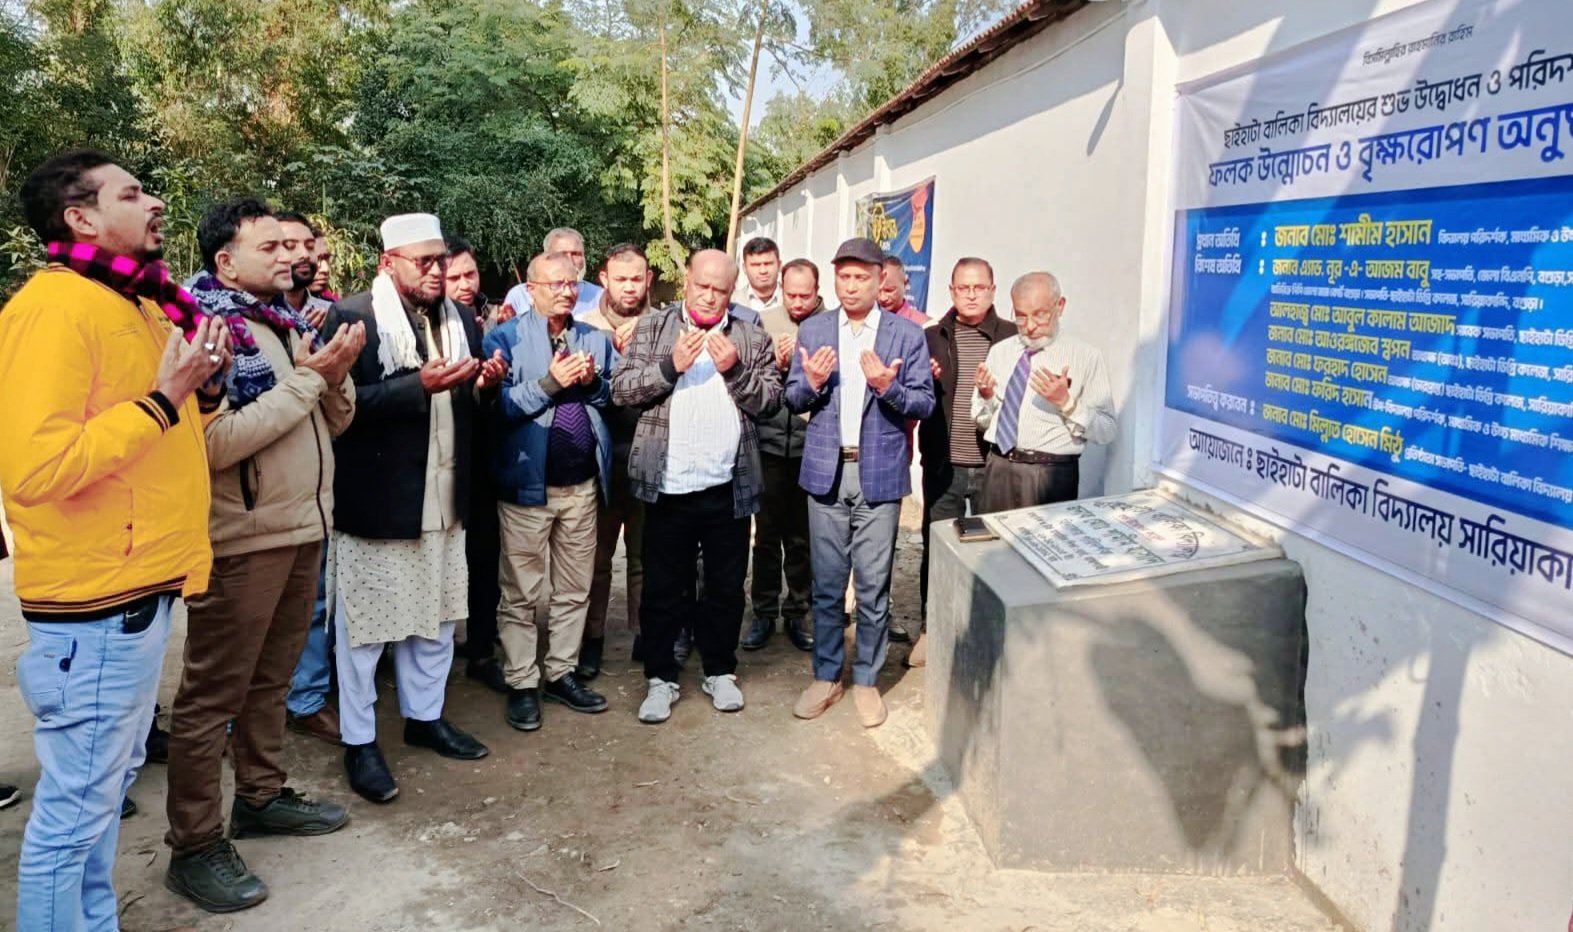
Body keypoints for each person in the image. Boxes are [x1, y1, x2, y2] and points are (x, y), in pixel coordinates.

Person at [0, 149, 230, 931]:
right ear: (81, 219)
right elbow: (38, 469)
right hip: (95, 602)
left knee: (102, 791)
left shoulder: (135, 301)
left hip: (138, 586)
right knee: (75, 812)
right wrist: (165, 397)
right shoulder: (53, 309)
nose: (155, 202)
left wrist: (200, 387)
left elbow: (163, 431)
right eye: (131, 194)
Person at [163, 199, 363, 912]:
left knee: (272, 680)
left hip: (301, 525)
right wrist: (310, 379)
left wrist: (333, 373)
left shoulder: (282, 322)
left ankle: (261, 795)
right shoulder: (202, 326)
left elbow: (334, 421)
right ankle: (194, 846)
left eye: (292, 244)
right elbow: (211, 445)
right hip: (241, 538)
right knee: (211, 697)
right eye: (271, 246)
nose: (291, 255)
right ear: (225, 261)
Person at [323, 212, 508, 804]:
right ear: (388, 263)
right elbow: (336, 408)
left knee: (437, 618)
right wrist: (415, 388)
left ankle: (425, 718)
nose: (437, 271)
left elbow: (467, 406)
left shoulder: (460, 320)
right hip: (380, 504)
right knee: (365, 634)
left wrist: (484, 385)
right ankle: (359, 741)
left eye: (440, 260)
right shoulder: (352, 317)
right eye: (423, 262)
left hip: (445, 498)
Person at [613, 249, 782, 724]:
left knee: (725, 588)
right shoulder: (653, 328)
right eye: (702, 286)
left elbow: (771, 402)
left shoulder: (750, 335)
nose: (709, 296)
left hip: (728, 484)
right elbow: (621, 390)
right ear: (685, 281)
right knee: (663, 589)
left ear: (732, 291)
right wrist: (669, 367)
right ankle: (660, 678)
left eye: (720, 290)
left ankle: (719, 669)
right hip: (668, 484)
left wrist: (735, 370)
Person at [786, 238, 934, 728]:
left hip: (880, 474)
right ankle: (827, 676)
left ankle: (867, 679)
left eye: (861, 278)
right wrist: (811, 382)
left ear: (879, 280)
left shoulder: (905, 335)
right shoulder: (814, 329)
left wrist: (888, 388)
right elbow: (793, 398)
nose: (851, 287)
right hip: (826, 473)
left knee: (873, 587)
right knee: (827, 585)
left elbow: (924, 403)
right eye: (843, 277)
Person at [484, 252, 615, 731]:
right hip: (527, 486)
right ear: (531, 289)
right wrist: (549, 383)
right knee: (520, 592)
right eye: (555, 284)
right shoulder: (504, 338)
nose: (566, 291)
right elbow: (496, 409)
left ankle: (561, 673)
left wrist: (592, 381)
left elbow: (613, 397)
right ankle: (522, 681)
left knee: (574, 588)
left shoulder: (594, 338)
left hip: (581, 485)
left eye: (572, 283)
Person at [911, 257, 1016, 668]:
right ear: (951, 291)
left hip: (994, 464)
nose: (971, 295)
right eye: (963, 288)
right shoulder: (931, 337)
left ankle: (990, 631)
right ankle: (931, 628)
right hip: (944, 463)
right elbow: (913, 394)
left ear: (992, 290)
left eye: (979, 287)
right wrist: (924, 377)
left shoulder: (1011, 338)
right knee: (937, 547)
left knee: (994, 550)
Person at [275, 211, 344, 743]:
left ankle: (308, 698)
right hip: (255, 491)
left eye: (310, 248)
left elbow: (341, 409)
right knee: (244, 613)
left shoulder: (329, 316)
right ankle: (232, 716)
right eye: (288, 245)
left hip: (316, 481)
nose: (303, 256)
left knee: (312, 599)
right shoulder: (234, 316)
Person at [971, 272, 1117, 513]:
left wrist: (1067, 403)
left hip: (1050, 474)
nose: (1029, 326)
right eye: (1021, 316)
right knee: (992, 536)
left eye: (1039, 314)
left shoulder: (1086, 357)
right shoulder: (1000, 352)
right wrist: (986, 396)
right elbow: (982, 421)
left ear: (1060, 306)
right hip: (998, 467)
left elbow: (1107, 430)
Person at [742, 258, 824, 652]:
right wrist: (776, 364)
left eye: (804, 295)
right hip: (770, 443)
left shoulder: (829, 326)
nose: (797, 302)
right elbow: (750, 378)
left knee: (801, 537)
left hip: (812, 446)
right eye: (790, 294)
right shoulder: (764, 321)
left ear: (817, 291)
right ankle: (763, 612)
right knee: (766, 536)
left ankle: (797, 611)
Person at [580, 243, 654, 676]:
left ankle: (646, 635)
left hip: (648, 457)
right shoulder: (583, 326)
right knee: (597, 559)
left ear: (648, 279)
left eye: (636, 278)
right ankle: (592, 638)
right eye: (620, 279)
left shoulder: (664, 326)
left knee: (646, 557)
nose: (629, 287)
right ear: (604, 279)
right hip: (599, 459)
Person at [442, 237, 509, 694]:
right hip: (434, 463)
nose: (465, 284)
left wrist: (489, 383)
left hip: (481, 461)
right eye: (455, 277)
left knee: (484, 559)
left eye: (471, 273)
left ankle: (482, 649)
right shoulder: (414, 325)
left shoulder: (483, 322)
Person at [501, 227, 604, 320]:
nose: (569, 260)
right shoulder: (520, 295)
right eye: (562, 254)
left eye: (575, 254)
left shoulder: (600, 297)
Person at [733, 236, 782, 316]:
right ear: (744, 268)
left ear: (779, 265)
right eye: (755, 265)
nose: (763, 271)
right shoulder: (731, 303)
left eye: (768, 264)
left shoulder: (795, 302)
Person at [877, 257, 929, 327]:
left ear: (905, 284)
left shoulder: (924, 325)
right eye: (877, 291)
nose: (882, 298)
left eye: (889, 290)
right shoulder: (867, 321)